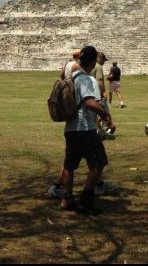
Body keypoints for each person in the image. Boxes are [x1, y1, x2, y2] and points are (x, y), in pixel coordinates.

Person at [57, 46, 115, 212]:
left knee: (70, 164)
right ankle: (86, 198)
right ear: (92, 62)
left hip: (71, 128)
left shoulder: (72, 77)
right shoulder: (85, 79)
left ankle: (67, 199)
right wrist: (105, 115)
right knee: (98, 162)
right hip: (85, 128)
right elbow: (89, 102)